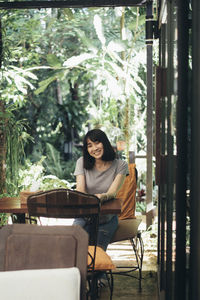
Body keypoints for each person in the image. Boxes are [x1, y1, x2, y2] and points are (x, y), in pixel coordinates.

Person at [73, 128, 128, 251]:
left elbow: (112, 193)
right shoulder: (81, 162)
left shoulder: (121, 165)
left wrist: (101, 197)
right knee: (73, 247)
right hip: (83, 216)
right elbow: (80, 190)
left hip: (106, 218)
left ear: (105, 142)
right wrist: (94, 199)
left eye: (97, 142)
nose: (94, 148)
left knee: (96, 254)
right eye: (89, 145)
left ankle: (99, 271)